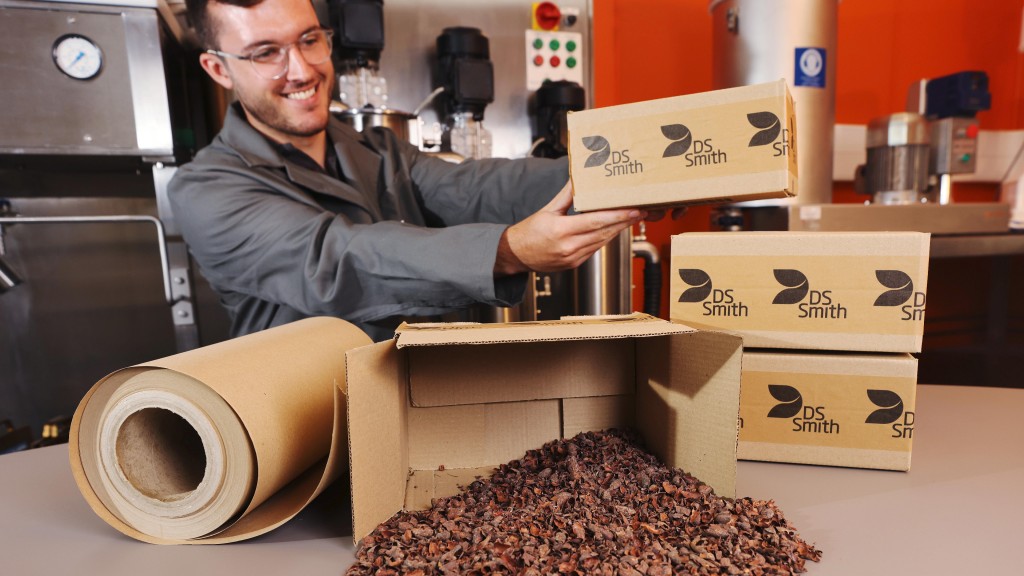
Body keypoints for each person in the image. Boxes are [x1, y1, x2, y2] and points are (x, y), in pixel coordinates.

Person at [171, 0, 648, 341]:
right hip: (302, 431)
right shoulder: (206, 189)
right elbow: (336, 260)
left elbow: (473, 187)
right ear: (218, 69)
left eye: (309, 40)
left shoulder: (376, 148)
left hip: (406, 401)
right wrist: (507, 251)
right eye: (265, 53)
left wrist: (634, 171)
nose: (300, 69)